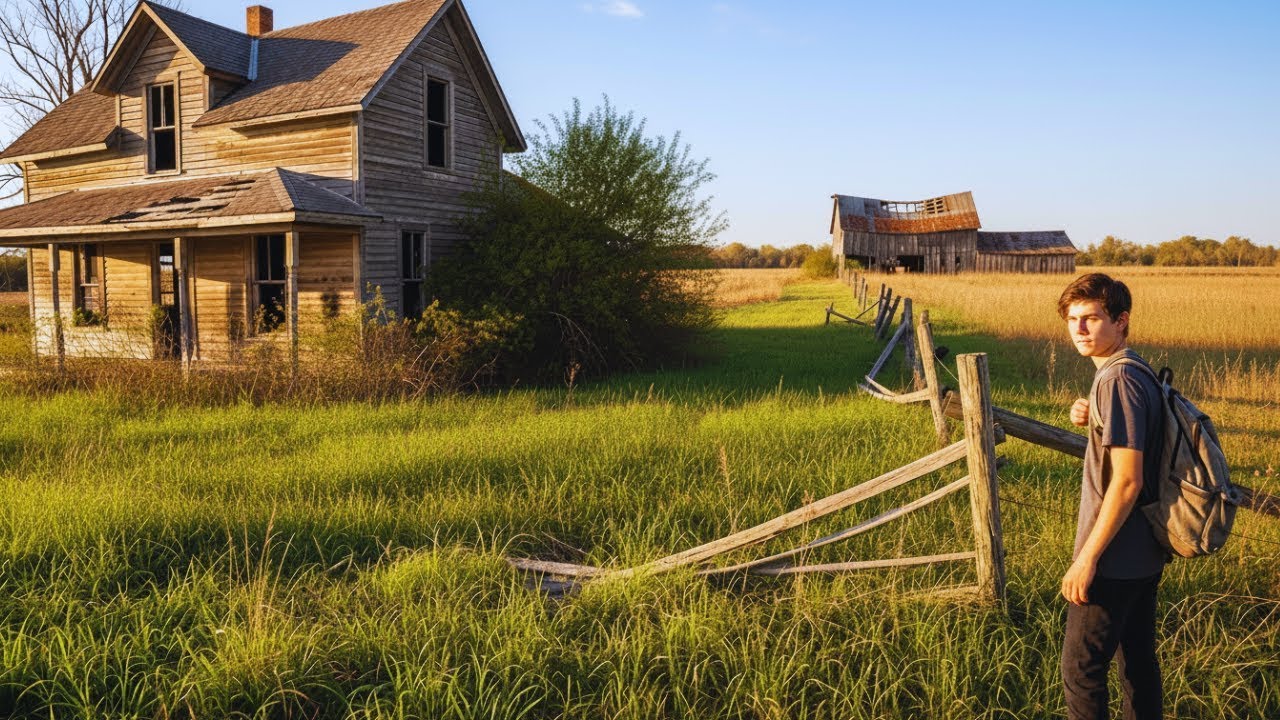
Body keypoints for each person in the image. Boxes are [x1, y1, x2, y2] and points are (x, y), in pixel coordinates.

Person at [1057, 273, 1169, 720]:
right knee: (1137, 663)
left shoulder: (1116, 380)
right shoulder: (1133, 370)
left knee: (1081, 671)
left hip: (1113, 557)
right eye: (1072, 319)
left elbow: (1127, 481)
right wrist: (1092, 415)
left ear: (1121, 321)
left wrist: (1087, 558)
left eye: (1092, 318)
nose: (1079, 329)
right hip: (1144, 551)